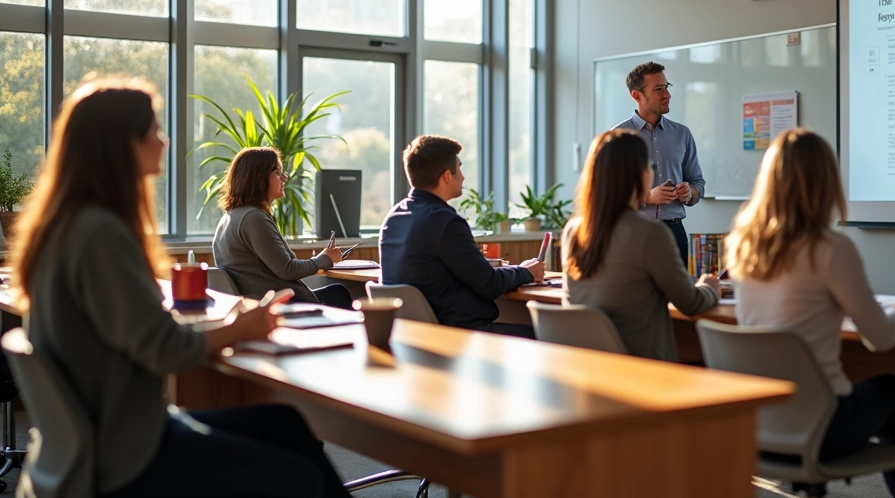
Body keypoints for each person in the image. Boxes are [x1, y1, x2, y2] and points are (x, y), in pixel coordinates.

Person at [8, 78, 367, 498]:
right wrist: (239, 328)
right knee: (300, 479)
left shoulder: (68, 227)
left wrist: (229, 326)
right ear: (121, 145)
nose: (164, 140)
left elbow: (146, 332)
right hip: (127, 455)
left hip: (113, 437)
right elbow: (165, 351)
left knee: (285, 422)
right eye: (154, 131)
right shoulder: (101, 235)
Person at [728, 128, 895, 498]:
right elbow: (879, 339)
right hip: (818, 428)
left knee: (879, 390)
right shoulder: (831, 248)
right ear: (826, 181)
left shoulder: (743, 245)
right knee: (891, 388)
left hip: (756, 425)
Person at [563, 130, 720, 360]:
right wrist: (709, 287)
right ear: (639, 175)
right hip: (643, 370)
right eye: (649, 166)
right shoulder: (650, 233)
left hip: (588, 370)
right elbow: (690, 303)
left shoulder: (573, 230)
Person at [379, 135, 543, 337]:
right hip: (459, 335)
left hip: (412, 335)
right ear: (447, 176)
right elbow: (489, 284)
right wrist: (527, 272)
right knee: (548, 335)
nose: (463, 177)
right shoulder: (445, 222)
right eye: (460, 168)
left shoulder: (393, 217)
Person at [212, 146, 353, 309]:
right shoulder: (253, 218)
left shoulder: (231, 217)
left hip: (259, 303)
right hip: (276, 306)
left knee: (336, 292)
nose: (285, 178)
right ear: (259, 178)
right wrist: (324, 259)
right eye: (277, 172)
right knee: (338, 294)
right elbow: (288, 270)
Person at [615, 61, 705, 267]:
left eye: (667, 87)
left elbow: (698, 183)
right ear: (637, 96)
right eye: (658, 89)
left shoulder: (682, 134)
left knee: (678, 298)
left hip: (674, 233)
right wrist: (646, 197)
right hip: (634, 233)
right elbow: (606, 195)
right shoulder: (618, 138)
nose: (667, 94)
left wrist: (690, 192)